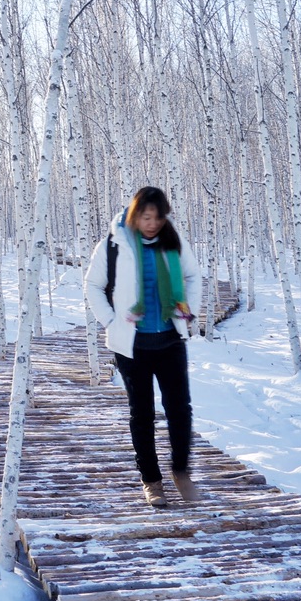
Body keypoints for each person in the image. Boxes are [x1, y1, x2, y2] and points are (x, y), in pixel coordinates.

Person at [83, 185, 198, 508]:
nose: (152, 223)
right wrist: (110, 321)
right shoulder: (114, 243)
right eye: (146, 217)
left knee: (179, 409)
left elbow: (192, 276)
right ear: (135, 214)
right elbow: (93, 285)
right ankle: (152, 481)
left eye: (158, 217)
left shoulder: (172, 241)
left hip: (171, 338)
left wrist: (188, 311)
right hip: (131, 345)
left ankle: (181, 471)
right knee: (142, 413)